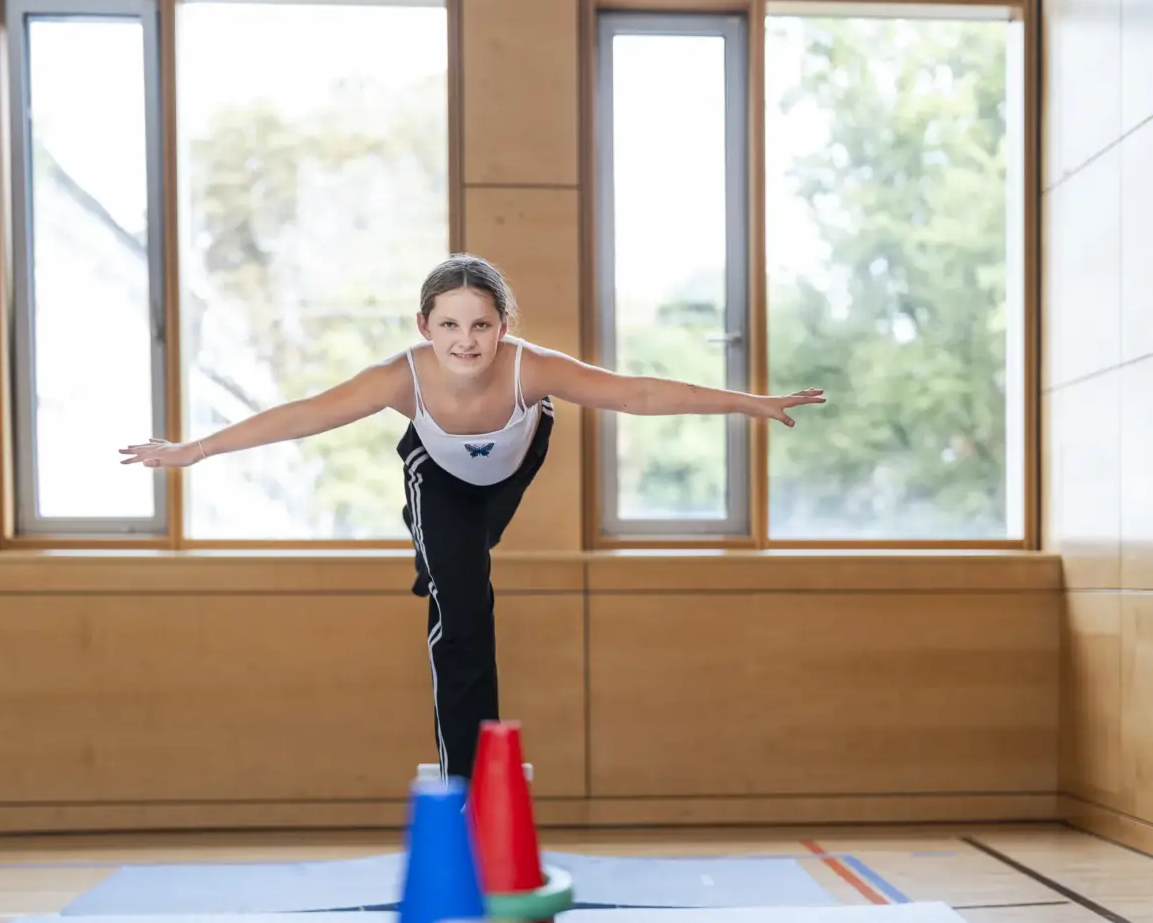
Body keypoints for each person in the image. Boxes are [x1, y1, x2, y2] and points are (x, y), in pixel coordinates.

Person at [120, 254, 825, 780]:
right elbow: (302, 417)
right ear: (423, 326)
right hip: (441, 481)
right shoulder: (400, 377)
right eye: (449, 325)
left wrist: (746, 403)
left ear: (503, 327)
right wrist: (195, 450)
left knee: (473, 544)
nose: (465, 340)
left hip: (515, 465)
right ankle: (468, 769)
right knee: (463, 610)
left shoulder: (529, 367)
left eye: (481, 325)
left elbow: (634, 394)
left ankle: (444, 561)